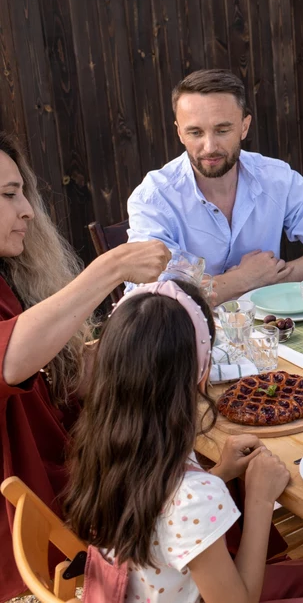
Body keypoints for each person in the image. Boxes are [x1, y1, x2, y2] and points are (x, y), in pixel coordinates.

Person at [64, 280, 303, 603]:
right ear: (201, 370)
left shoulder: (109, 445)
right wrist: (260, 501)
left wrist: (219, 472)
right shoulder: (193, 495)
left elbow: (161, 513)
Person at [0, 133, 171, 601]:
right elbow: (10, 360)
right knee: (185, 478)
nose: (27, 211)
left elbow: (53, 381)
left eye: (23, 194)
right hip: (49, 494)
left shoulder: (9, 275)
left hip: (77, 462)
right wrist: (111, 267)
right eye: (8, 195)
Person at [126, 69, 303, 302]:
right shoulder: (153, 197)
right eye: (195, 132)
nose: (209, 147)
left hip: (269, 329)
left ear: (244, 126)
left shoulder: (276, 178)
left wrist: (270, 280)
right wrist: (243, 280)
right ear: (179, 133)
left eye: (222, 130)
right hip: (188, 335)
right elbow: (156, 300)